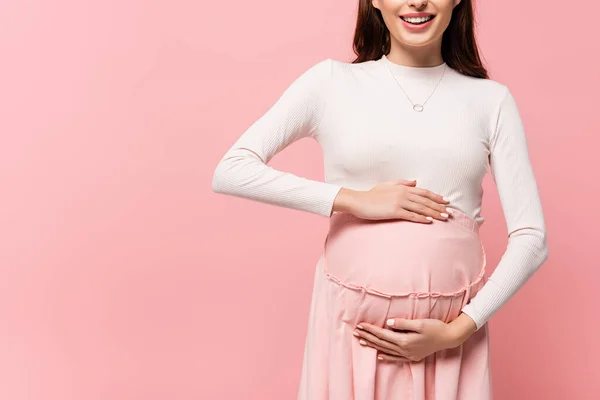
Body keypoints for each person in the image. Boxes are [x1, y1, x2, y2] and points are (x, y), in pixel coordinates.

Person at [211, 0, 549, 398]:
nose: (417, 1)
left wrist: (457, 331)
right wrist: (353, 199)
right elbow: (231, 170)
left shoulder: (490, 101)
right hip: (346, 340)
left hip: (448, 349)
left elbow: (532, 237)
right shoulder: (331, 83)